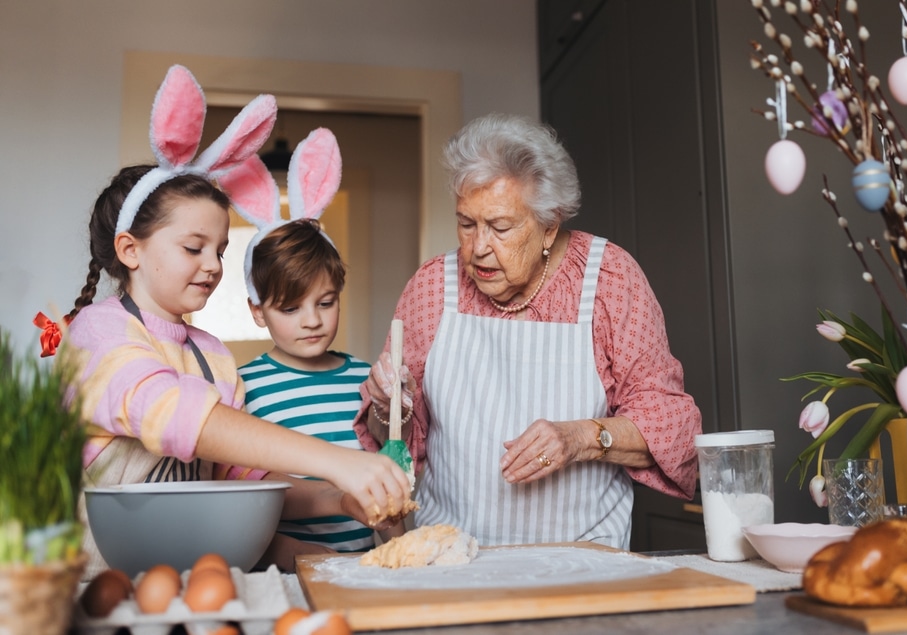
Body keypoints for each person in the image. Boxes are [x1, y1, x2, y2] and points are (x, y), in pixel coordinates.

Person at [54, 66, 411, 578]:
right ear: (130, 250)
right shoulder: (97, 335)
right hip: (100, 585)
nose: (215, 265)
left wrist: (339, 498)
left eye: (221, 249)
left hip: (195, 579)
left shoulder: (213, 356)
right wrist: (341, 461)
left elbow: (246, 485)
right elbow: (171, 412)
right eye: (193, 247)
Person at [354, 113, 703, 550]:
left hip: (583, 556)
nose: (479, 246)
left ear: (549, 226)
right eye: (466, 223)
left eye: (500, 227)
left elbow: (672, 427)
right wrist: (388, 408)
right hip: (450, 556)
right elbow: (396, 444)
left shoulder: (609, 279)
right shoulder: (431, 287)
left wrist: (581, 439)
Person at [236, 128, 393, 568]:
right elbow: (251, 491)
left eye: (326, 302)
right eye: (290, 308)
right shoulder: (245, 387)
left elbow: (385, 464)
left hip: (367, 565)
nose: (312, 320)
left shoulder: (364, 376)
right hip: (290, 565)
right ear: (257, 311)